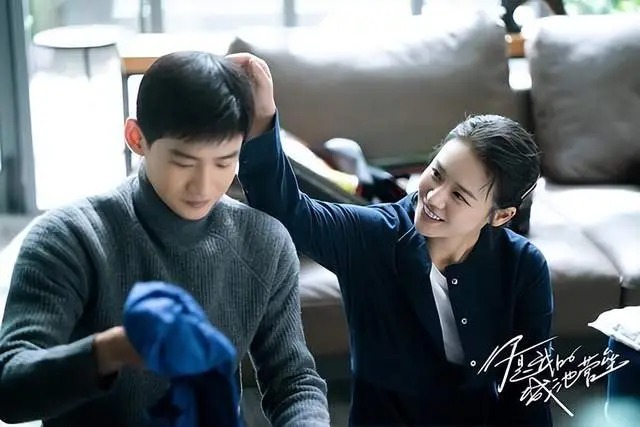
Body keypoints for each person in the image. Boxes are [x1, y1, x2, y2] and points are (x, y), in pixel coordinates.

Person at [0, 51, 330, 427]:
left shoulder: (263, 242)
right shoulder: (71, 237)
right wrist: (113, 350)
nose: (204, 186)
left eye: (225, 161)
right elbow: (8, 384)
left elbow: (294, 382)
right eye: (183, 162)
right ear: (136, 138)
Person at [234, 52, 554, 426]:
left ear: (500, 216)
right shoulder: (372, 236)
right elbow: (285, 210)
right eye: (437, 174)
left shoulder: (523, 267)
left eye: (459, 195)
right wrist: (261, 116)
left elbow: (529, 392)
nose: (434, 198)